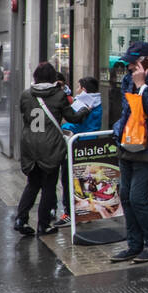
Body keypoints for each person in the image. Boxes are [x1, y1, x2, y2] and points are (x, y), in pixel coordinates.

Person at [15, 61, 85, 237]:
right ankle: (43, 224)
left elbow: (24, 115)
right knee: (48, 186)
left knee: (32, 184)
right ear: (54, 78)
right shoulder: (59, 95)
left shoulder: (25, 95)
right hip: (51, 145)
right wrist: (85, 109)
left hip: (30, 143)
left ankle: (21, 219)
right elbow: (73, 118)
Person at [110, 45, 148, 263]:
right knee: (125, 196)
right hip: (127, 144)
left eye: (133, 62)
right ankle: (134, 245)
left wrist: (142, 86)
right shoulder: (128, 79)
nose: (129, 67)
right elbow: (129, 108)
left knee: (138, 197)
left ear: (147, 60)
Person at [55, 76, 102, 227]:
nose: (76, 89)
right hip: (90, 146)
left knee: (69, 179)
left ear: (83, 89)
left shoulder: (83, 102)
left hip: (77, 145)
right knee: (87, 180)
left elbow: (74, 123)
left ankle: (70, 213)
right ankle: (86, 212)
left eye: (78, 86)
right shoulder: (97, 102)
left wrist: (64, 128)